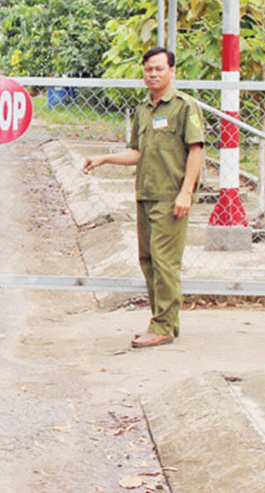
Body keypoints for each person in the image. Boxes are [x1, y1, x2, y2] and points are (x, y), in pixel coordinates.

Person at [83, 46, 205, 348]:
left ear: (172, 71)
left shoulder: (183, 107)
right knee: (148, 260)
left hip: (170, 196)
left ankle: (162, 325)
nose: (153, 74)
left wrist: (186, 192)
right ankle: (164, 321)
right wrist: (105, 159)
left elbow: (196, 150)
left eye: (159, 69)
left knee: (165, 262)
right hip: (146, 195)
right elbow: (137, 152)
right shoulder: (143, 111)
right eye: (148, 69)